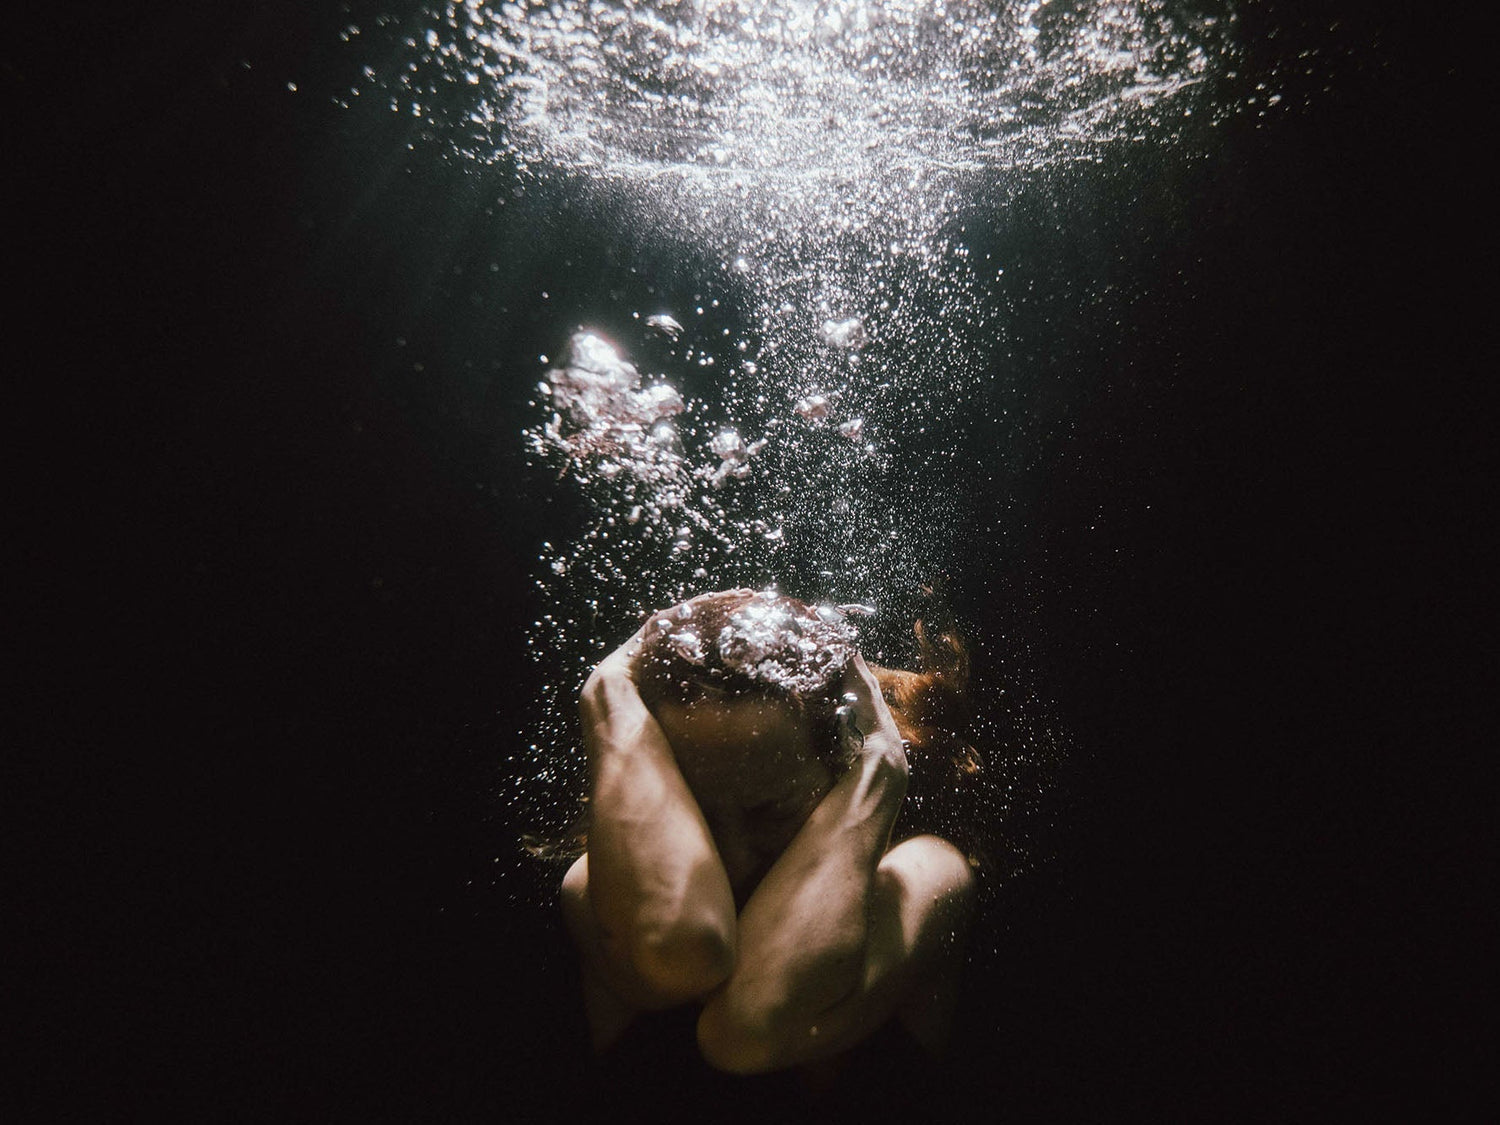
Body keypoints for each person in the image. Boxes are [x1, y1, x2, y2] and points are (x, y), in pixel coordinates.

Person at [559, 588, 978, 1074]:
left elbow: (751, 1025)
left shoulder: (927, 875)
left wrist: (881, 765)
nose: (735, 858)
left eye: (770, 815)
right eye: (696, 814)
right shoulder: (594, 887)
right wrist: (608, 693)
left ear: (842, 768)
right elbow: (679, 952)